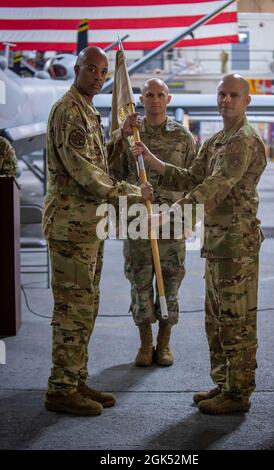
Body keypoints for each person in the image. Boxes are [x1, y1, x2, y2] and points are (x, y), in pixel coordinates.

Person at [132, 74, 267, 414]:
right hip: (218, 242)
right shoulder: (216, 140)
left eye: (234, 95)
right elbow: (192, 175)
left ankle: (238, 393)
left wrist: (167, 216)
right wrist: (151, 159)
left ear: (246, 100)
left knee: (236, 319)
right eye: (222, 94)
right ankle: (223, 384)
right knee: (216, 318)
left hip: (237, 244)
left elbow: (214, 188)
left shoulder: (243, 140)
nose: (226, 100)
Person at [43, 46, 152, 416]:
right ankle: (60, 388)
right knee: (72, 308)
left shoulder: (88, 110)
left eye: (104, 72)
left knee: (86, 306)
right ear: (76, 69)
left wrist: (120, 135)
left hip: (89, 225)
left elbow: (98, 159)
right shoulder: (68, 110)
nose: (99, 76)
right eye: (92, 69)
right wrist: (135, 193)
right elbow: (86, 173)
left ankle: (75, 379)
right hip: (70, 226)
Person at [108, 78, 196, 367]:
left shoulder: (183, 137)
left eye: (160, 94)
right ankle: (145, 344)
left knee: (170, 284)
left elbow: (192, 181)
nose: (155, 99)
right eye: (149, 94)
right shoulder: (131, 135)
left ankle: (165, 343)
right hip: (139, 222)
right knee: (140, 283)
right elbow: (113, 174)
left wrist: (189, 219)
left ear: (168, 100)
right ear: (141, 99)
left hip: (171, 224)